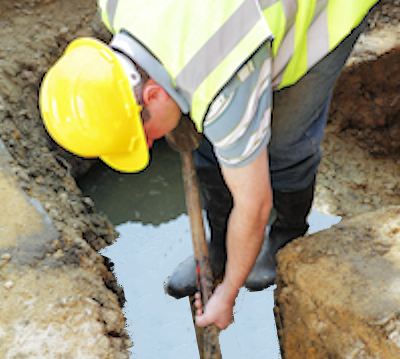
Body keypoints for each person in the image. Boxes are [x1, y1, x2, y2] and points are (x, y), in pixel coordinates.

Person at [39, 0, 379, 330]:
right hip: (235, 28)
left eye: (143, 136)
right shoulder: (116, 6)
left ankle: (286, 238)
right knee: (212, 135)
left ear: (153, 95)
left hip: (321, 9)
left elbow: (254, 205)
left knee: (285, 142)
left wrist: (227, 295)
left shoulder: (220, 80)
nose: (147, 145)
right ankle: (219, 250)